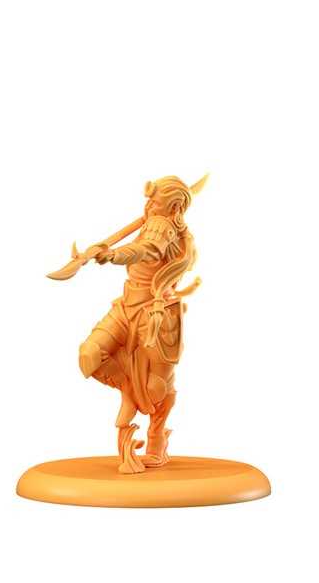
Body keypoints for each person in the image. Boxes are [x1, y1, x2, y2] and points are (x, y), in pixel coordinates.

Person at [79, 176, 202, 473]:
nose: (149, 207)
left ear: (173, 207)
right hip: (126, 306)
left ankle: (156, 442)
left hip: (157, 315)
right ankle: (129, 391)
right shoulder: (154, 220)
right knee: (89, 354)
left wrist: (113, 254)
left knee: (157, 388)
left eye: (155, 203)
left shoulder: (162, 227)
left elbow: (146, 250)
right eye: (149, 201)